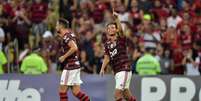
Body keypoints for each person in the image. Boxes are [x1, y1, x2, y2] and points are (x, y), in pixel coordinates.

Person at [100, 10, 136, 101]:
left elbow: (121, 31)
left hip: (124, 68)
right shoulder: (107, 44)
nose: (110, 29)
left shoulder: (120, 39)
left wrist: (117, 19)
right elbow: (107, 57)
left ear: (116, 30)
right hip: (117, 71)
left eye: (112, 27)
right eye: (109, 28)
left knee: (117, 95)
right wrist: (102, 68)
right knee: (127, 96)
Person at [56, 18, 90, 101]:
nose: (56, 27)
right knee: (76, 92)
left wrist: (64, 57)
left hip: (70, 66)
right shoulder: (69, 35)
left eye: (57, 25)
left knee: (62, 91)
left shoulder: (66, 36)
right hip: (75, 65)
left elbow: (74, 48)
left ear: (61, 26)